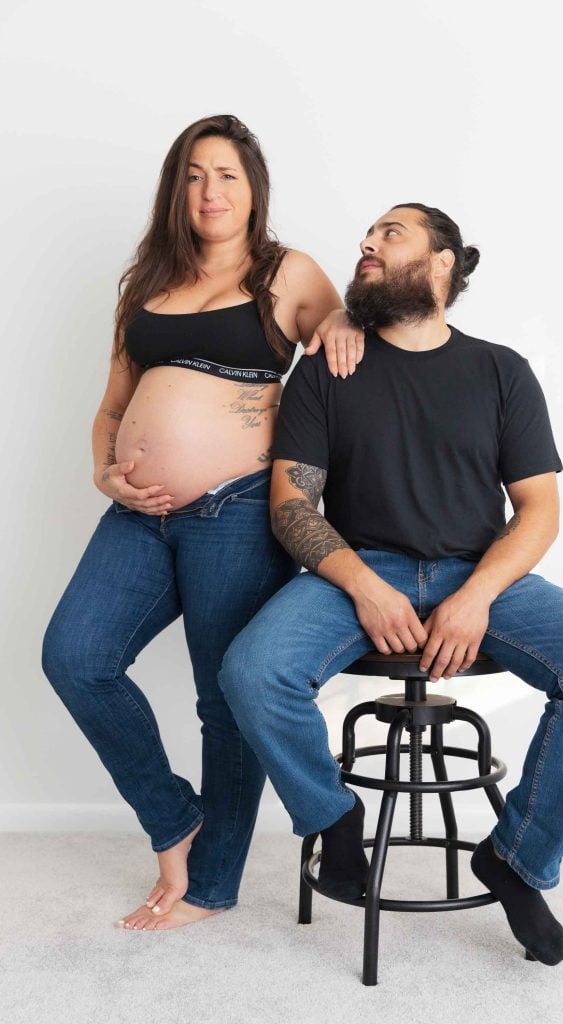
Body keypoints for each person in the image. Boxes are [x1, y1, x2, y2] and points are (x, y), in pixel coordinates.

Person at [218, 202, 563, 966]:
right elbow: (291, 505)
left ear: (443, 261)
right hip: (360, 567)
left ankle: (515, 859)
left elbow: (539, 511)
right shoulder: (329, 367)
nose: (366, 243)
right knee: (251, 671)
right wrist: (363, 586)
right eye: (367, 235)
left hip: (477, 569)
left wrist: (478, 594)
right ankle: (332, 820)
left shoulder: (498, 370)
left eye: (390, 233)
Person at [41, 113, 364, 933]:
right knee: (76, 656)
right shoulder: (145, 281)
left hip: (240, 509)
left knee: (226, 702)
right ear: (175, 190)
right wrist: (103, 468)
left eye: (225, 174)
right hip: (138, 513)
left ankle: (212, 884)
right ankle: (176, 819)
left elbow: (344, 349)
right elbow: (111, 408)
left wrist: (346, 322)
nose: (208, 190)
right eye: (192, 174)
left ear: (252, 188)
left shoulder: (287, 272)